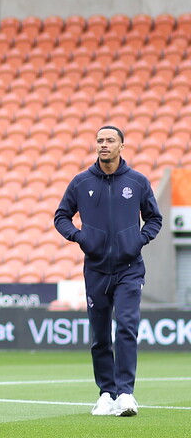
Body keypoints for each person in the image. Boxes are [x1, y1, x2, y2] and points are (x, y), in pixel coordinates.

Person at [54, 125, 162, 417]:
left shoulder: (138, 182)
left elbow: (154, 218)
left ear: (121, 146)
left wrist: (139, 239)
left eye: (110, 140)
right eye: (100, 140)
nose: (104, 144)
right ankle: (106, 393)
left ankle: (125, 393)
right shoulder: (81, 182)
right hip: (96, 269)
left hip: (130, 268)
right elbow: (61, 216)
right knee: (100, 334)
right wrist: (80, 237)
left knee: (126, 326)